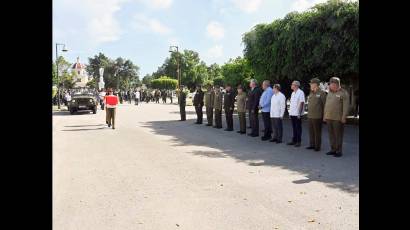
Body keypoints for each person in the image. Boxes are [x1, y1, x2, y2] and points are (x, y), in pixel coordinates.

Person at [324, 77, 349, 157]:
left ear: (336, 84)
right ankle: (333, 149)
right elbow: (326, 105)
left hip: (338, 118)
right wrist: (325, 115)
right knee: (331, 135)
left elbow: (346, 106)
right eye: (330, 84)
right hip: (329, 117)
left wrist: (344, 117)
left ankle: (339, 151)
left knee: (338, 135)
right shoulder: (329, 93)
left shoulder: (343, 93)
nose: (330, 86)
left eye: (331, 84)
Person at [306, 78, 327, 151]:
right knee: (311, 131)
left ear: (315, 84)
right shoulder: (311, 93)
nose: (310, 85)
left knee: (317, 132)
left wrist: (324, 116)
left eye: (311, 84)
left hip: (318, 116)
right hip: (310, 116)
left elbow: (325, 105)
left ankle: (317, 146)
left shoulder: (322, 93)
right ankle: (312, 144)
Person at [287, 80, 305, 147]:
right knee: (294, 127)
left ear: (296, 86)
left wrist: (299, 113)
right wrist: (290, 113)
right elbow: (292, 104)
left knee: (298, 128)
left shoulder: (301, 92)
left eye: (292, 84)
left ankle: (298, 141)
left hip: (297, 114)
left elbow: (302, 103)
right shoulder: (293, 93)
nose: (291, 85)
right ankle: (294, 140)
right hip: (292, 113)